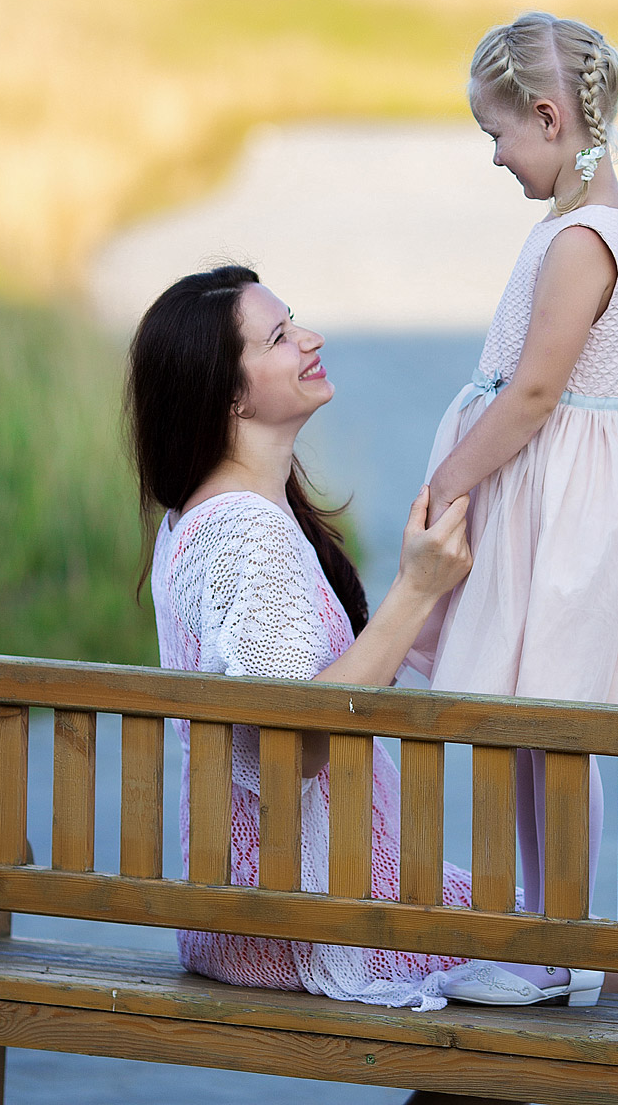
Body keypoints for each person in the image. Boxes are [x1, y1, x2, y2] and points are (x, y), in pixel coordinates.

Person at [126, 263, 510, 1018]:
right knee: (590, 958)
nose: (310, 338)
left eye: (293, 320)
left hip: (258, 900)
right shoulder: (245, 531)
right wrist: (418, 589)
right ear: (229, 393)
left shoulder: (215, 514)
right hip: (298, 915)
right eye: (277, 336)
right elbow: (293, 741)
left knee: (561, 948)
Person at [406, 12, 618, 1007]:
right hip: (542, 501)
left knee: (550, 711)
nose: (494, 157)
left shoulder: (584, 239)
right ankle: (532, 930)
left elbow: (534, 394)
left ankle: (550, 937)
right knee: (524, 715)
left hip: (563, 511)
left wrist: (448, 483)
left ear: (548, 113)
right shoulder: (572, 223)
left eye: (498, 135)